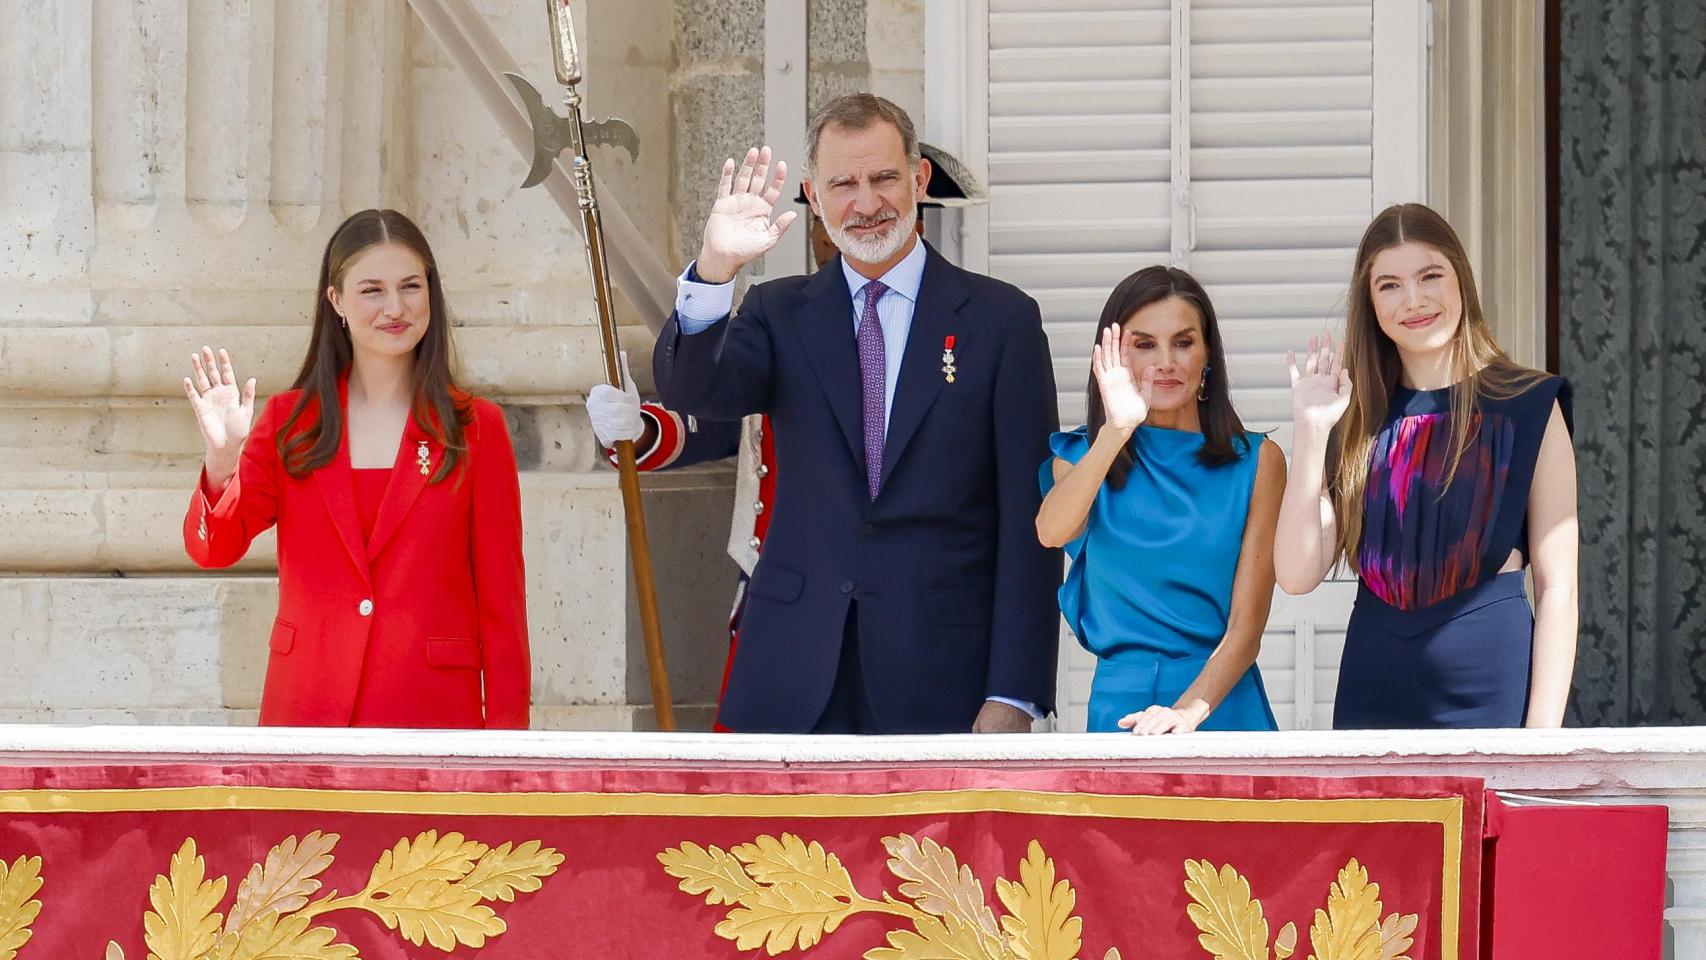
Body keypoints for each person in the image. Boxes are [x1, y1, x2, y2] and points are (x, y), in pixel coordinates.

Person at [653, 93, 1061, 734]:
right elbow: (692, 390)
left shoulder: (1000, 321)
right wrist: (714, 269)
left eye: (884, 178)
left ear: (920, 179)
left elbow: (1029, 522)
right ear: (814, 197)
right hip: (791, 672)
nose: (866, 204)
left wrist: (1016, 690)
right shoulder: (777, 312)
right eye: (843, 183)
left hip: (941, 676)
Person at [584, 144, 989, 729]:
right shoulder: (781, 319)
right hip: (794, 624)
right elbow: (715, 413)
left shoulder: (972, 328)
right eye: (828, 214)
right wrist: (636, 428)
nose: (845, 232)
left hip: (920, 635)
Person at [181, 209, 530, 728]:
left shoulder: (477, 427)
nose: (395, 307)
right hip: (306, 715)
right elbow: (214, 548)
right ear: (336, 301)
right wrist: (223, 458)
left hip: (432, 719)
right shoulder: (290, 422)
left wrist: (507, 753)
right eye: (372, 290)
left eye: (411, 286)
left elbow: (504, 609)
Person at [1274, 202, 1577, 729]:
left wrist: (1541, 742)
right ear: (1370, 304)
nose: (1413, 301)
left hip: (1489, 687)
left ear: (1460, 279)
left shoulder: (1531, 402)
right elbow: (1297, 575)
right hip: (1372, 687)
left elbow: (1559, 588)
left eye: (1429, 276)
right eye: (1389, 285)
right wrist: (1310, 431)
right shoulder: (1354, 415)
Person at [1036, 266, 1284, 734]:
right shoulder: (1081, 454)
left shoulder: (1258, 461)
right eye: (1145, 344)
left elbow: (1246, 630)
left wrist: (1186, 712)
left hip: (1218, 705)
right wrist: (1117, 430)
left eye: (1184, 343)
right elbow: (1052, 531)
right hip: (1120, 710)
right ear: (1113, 356)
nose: (1166, 361)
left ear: (1208, 353)